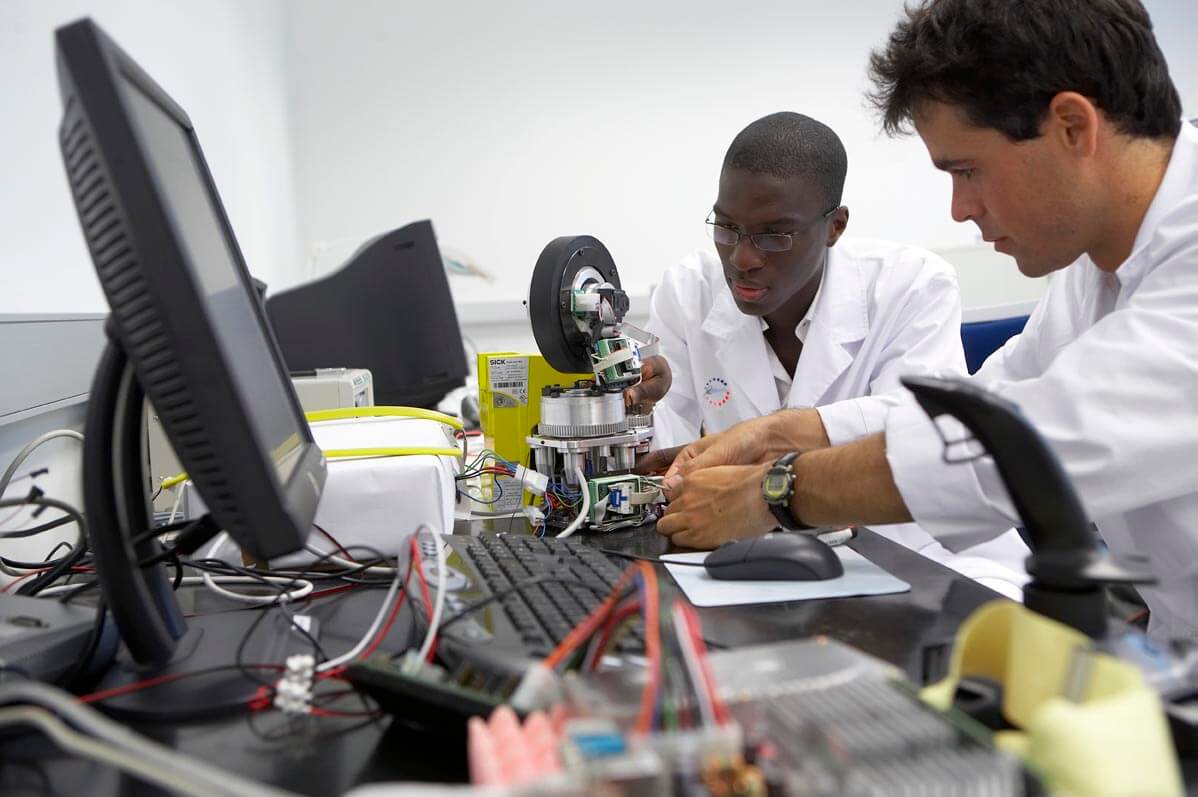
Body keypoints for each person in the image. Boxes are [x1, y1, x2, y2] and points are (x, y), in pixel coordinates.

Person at [656, 0, 1197, 644]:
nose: (960, 209)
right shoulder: (1097, 266)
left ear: (1073, 128)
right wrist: (791, 430)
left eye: (966, 170)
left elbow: (1023, 449)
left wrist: (776, 492)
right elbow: (982, 409)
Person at [638, 111, 1028, 591]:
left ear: (834, 227)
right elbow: (662, 449)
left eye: (774, 235)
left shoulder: (910, 285)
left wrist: (776, 436)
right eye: (727, 227)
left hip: (920, 553)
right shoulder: (687, 291)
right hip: (747, 557)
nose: (742, 258)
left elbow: (922, 429)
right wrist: (636, 411)